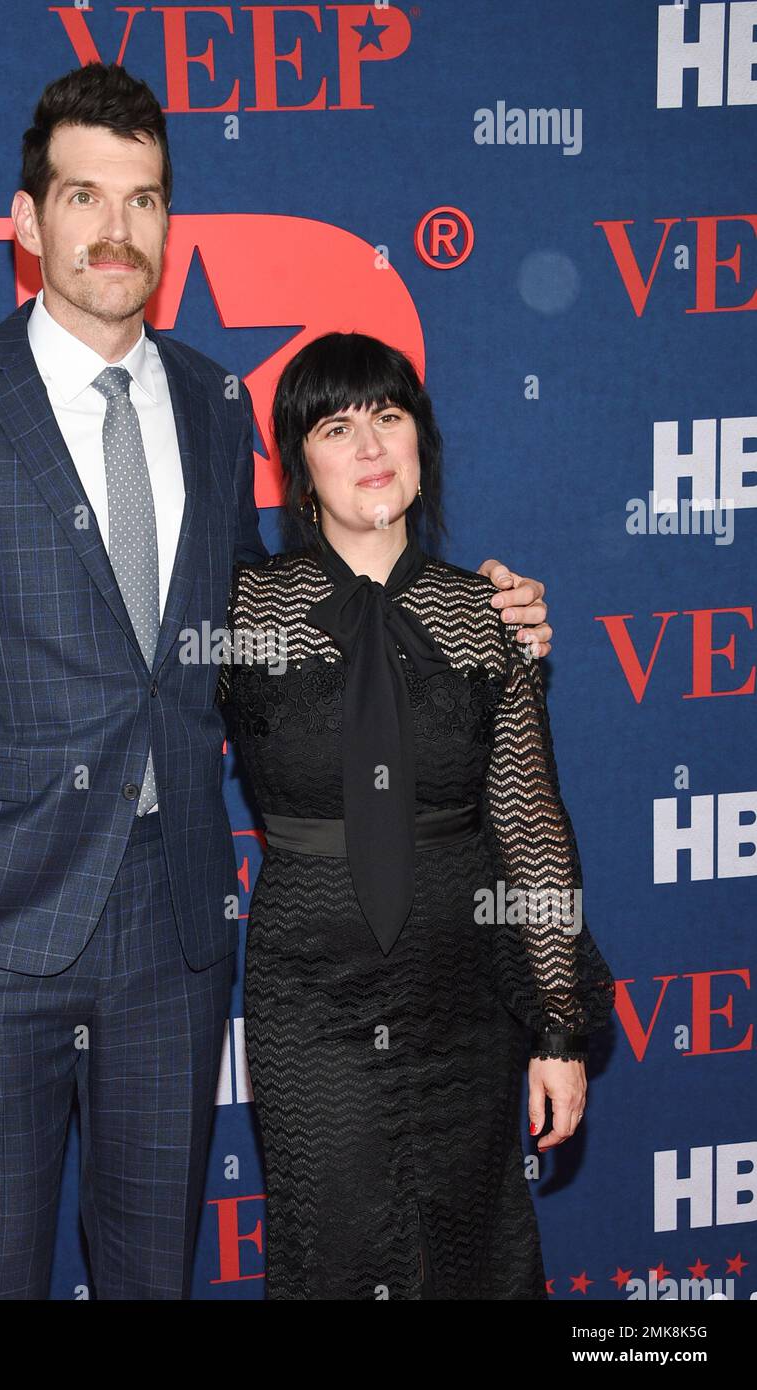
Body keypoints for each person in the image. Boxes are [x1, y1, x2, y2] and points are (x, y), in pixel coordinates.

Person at [0, 62, 550, 1301]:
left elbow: (267, 623)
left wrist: (469, 611)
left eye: (144, 200)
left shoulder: (221, 403)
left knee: (153, 1273)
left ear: (170, 219)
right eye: (83, 196)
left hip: (174, 932)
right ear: (25, 220)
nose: (115, 231)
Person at [217, 332, 615, 1298]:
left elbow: (529, 830)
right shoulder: (239, 607)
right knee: (334, 1242)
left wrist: (559, 1028)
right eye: (336, 426)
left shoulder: (487, 615)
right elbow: (113, 697)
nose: (369, 447)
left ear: (421, 442)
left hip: (462, 978)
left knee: (474, 1239)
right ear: (298, 467)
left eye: (389, 418)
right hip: (312, 985)